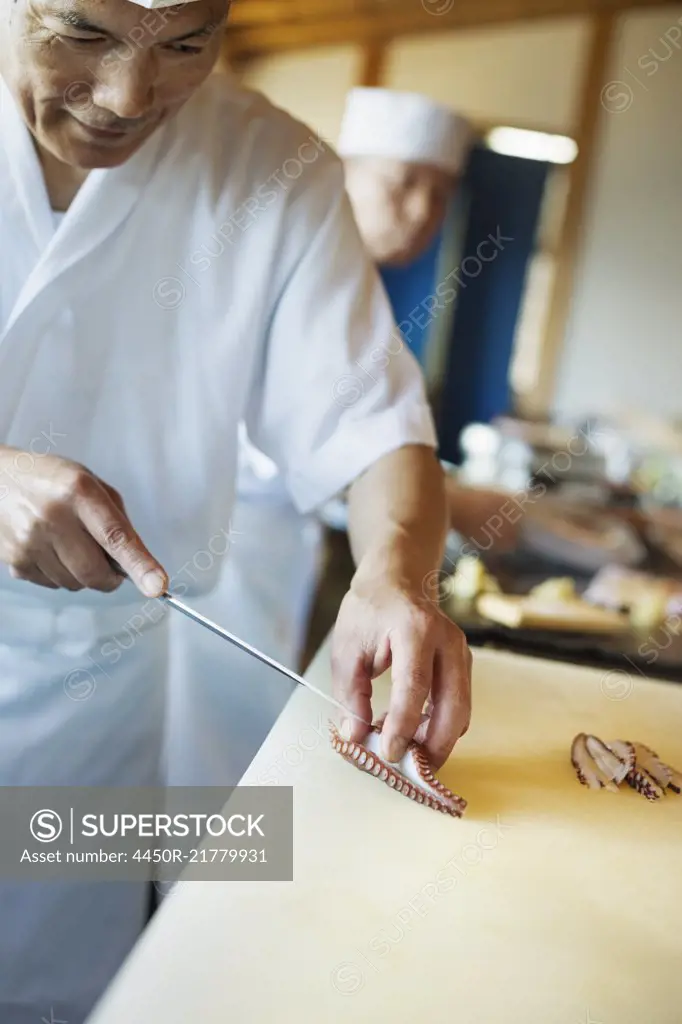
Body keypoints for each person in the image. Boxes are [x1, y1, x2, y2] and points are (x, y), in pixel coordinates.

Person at [0, 3, 471, 1021]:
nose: (131, 97)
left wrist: (396, 573)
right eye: (80, 33)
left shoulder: (274, 169)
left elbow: (371, 422)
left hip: (94, 707)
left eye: (183, 45)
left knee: (57, 991)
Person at [166, 84, 475, 789]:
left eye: (441, 193)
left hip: (275, 577)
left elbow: (372, 434)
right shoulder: (249, 234)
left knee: (232, 809)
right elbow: (288, 455)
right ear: (347, 172)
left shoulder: (353, 289)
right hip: (211, 583)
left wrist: (396, 566)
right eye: (404, 184)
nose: (424, 211)